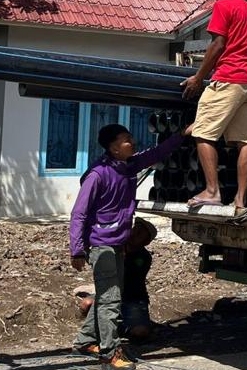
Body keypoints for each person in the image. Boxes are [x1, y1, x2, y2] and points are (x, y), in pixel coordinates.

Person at [70, 123, 188, 369]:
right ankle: (110, 353)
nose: (132, 142)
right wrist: (77, 248)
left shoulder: (129, 166)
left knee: (109, 296)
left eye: (131, 138)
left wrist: (181, 135)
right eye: (126, 140)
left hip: (118, 244)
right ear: (113, 148)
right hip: (101, 246)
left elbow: (155, 154)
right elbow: (79, 214)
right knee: (111, 300)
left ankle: (84, 341)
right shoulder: (98, 175)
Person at [180, 0, 247, 209]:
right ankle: (240, 199)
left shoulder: (223, 6)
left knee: (202, 133)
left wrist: (198, 78)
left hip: (228, 78)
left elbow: (217, 45)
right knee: (244, 141)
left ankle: (212, 191)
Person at [121, 218, 157, 341]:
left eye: (140, 234)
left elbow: (131, 276)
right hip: (111, 295)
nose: (134, 234)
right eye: (135, 230)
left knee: (140, 332)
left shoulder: (143, 257)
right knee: (86, 304)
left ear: (145, 241)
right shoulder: (117, 247)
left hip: (133, 299)